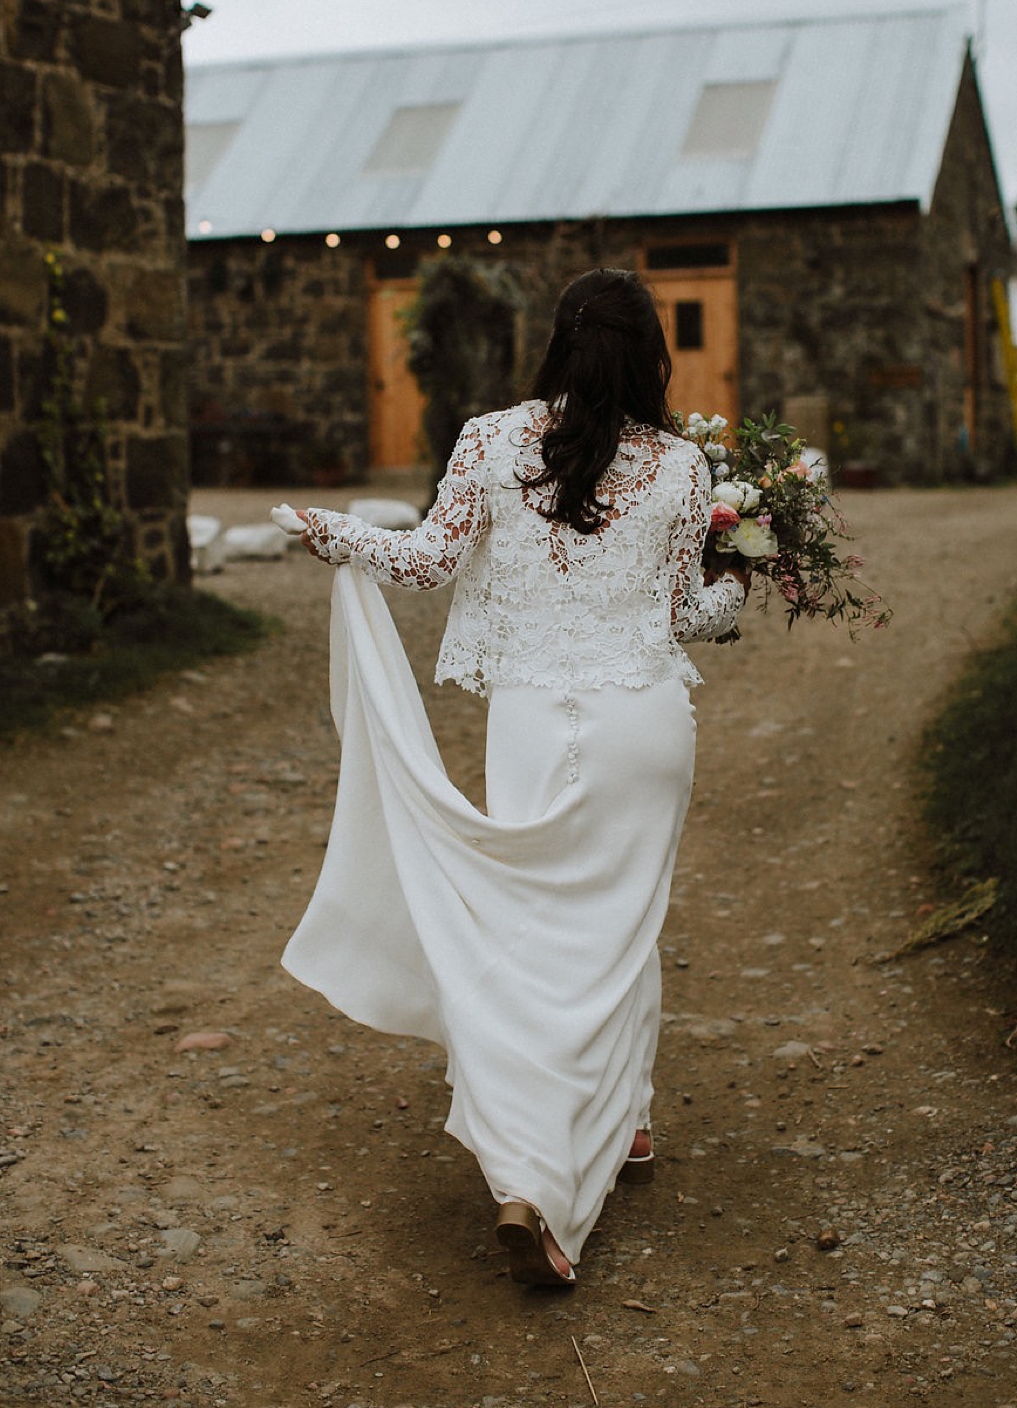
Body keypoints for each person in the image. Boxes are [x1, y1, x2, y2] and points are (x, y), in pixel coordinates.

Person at [285, 267, 745, 1287]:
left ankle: (564, 1154)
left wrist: (333, 535)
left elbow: (423, 563)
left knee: (539, 933)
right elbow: (688, 613)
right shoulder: (680, 468)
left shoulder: (489, 441)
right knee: (622, 926)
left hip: (536, 719)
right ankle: (588, 1151)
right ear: (647, 356)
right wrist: (750, 580)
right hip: (642, 723)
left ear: (556, 345)